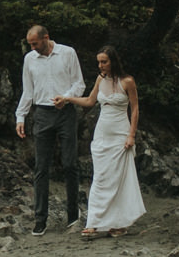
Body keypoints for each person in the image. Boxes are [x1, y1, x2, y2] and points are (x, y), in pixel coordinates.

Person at [54, 44, 144, 238]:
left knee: (119, 179)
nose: (101, 66)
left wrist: (131, 135)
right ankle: (94, 222)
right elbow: (89, 101)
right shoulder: (99, 80)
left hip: (121, 133)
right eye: (99, 62)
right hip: (102, 133)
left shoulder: (127, 81)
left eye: (104, 62)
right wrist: (67, 99)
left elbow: (135, 109)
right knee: (101, 178)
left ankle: (118, 223)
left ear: (113, 61)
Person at [14, 23, 83, 235]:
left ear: (46, 37)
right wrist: (21, 116)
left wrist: (66, 97)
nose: (32, 47)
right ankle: (40, 218)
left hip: (65, 112)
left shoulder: (68, 53)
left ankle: (73, 214)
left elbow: (79, 84)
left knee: (70, 163)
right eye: (30, 44)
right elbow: (28, 90)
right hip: (42, 114)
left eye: (35, 43)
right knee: (41, 167)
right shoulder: (29, 59)